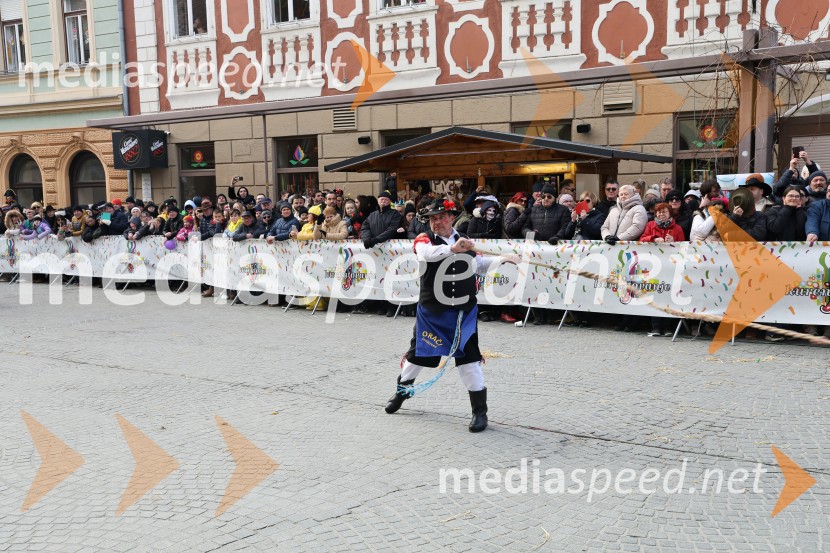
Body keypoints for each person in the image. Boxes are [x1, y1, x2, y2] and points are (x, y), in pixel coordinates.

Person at [383, 198, 517, 432]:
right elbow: (427, 254)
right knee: (418, 357)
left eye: (441, 217)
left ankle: (479, 412)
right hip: (433, 311)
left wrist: (504, 260)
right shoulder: (424, 240)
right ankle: (401, 393)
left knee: (469, 360)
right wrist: (453, 249)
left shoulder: (463, 240)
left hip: (463, 312)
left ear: (451, 217)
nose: (437, 222)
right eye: (433, 219)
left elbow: (479, 264)